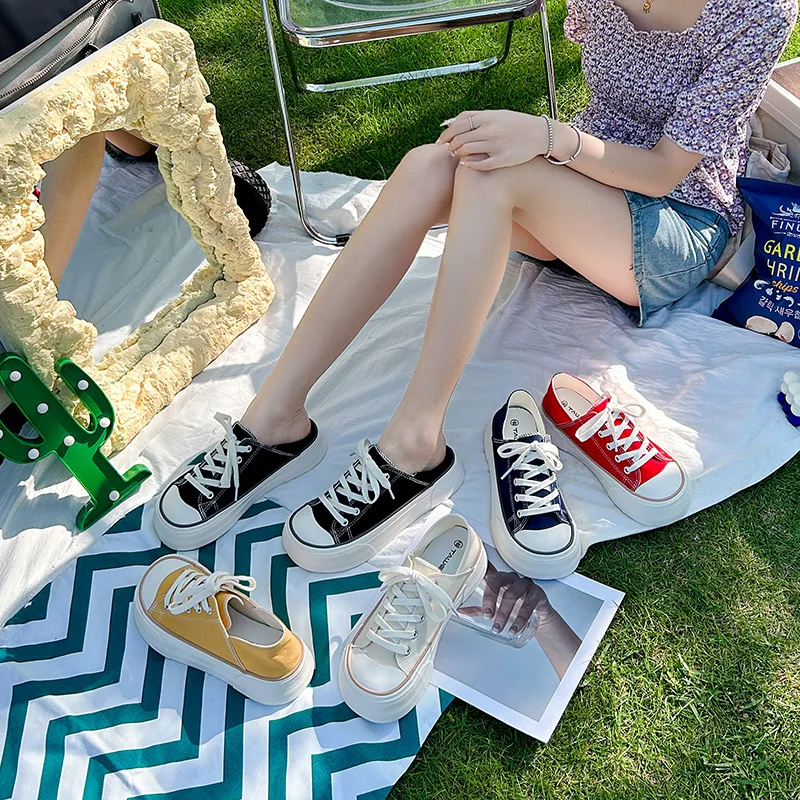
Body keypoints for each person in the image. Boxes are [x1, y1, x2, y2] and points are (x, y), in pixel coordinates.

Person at [154, 0, 798, 566]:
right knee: (428, 167)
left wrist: (547, 137)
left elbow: (662, 172)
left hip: (676, 224)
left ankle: (414, 445)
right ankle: (274, 418)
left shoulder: (758, 10)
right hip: (579, 190)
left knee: (494, 176)